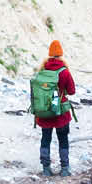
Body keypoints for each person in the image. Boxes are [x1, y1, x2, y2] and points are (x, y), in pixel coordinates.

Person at [36, 40, 76, 176]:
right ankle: (64, 168)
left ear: (49, 55)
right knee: (63, 139)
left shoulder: (42, 70)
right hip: (60, 113)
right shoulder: (64, 72)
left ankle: (46, 168)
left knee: (45, 138)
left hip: (44, 110)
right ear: (61, 55)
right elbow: (71, 91)